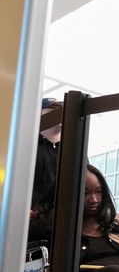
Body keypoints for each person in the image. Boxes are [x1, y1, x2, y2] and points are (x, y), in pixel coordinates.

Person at [28, 98, 62, 242]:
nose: (58, 115)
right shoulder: (25, 145)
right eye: (52, 110)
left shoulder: (73, 149)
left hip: (60, 221)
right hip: (30, 221)